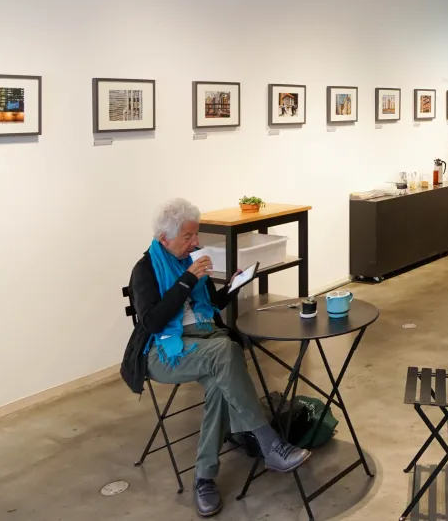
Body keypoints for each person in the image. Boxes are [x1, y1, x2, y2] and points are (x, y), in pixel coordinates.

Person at [124, 198, 310, 517]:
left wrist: (235, 286)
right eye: (188, 237)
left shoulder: (192, 260)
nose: (196, 242)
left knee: (220, 382)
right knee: (228, 351)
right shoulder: (145, 270)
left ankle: (204, 478)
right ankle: (270, 443)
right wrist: (187, 280)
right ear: (164, 239)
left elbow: (212, 304)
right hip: (164, 352)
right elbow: (152, 322)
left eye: (196, 235)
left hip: (206, 342)